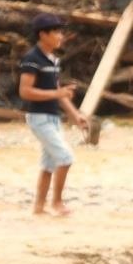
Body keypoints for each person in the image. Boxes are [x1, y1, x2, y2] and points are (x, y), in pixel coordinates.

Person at [18, 13, 88, 216]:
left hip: (53, 117)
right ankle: (57, 203)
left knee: (48, 165)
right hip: (39, 118)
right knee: (65, 158)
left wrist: (75, 115)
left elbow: (58, 91)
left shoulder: (53, 60)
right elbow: (25, 91)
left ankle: (39, 208)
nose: (60, 36)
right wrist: (57, 93)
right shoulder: (32, 59)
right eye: (56, 32)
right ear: (43, 35)